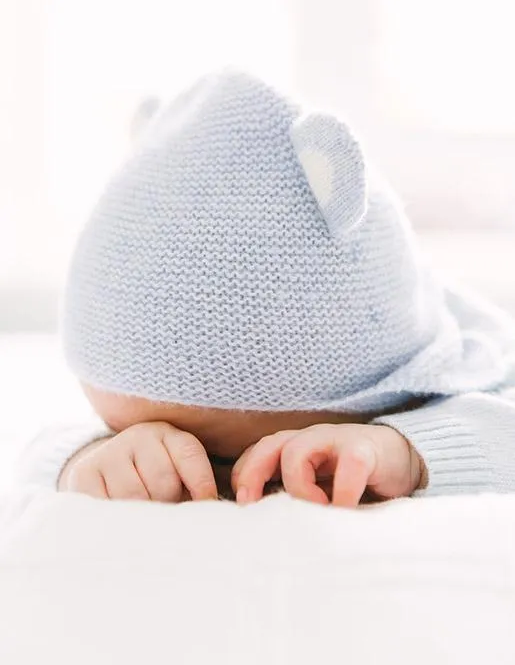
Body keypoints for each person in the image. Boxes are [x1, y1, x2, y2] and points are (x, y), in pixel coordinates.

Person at [20, 71, 515, 506]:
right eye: (120, 427)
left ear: (386, 397)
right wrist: (89, 457)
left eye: (223, 457)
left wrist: (406, 450)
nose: (220, 482)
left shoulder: (440, 360)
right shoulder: (128, 385)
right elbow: (37, 445)